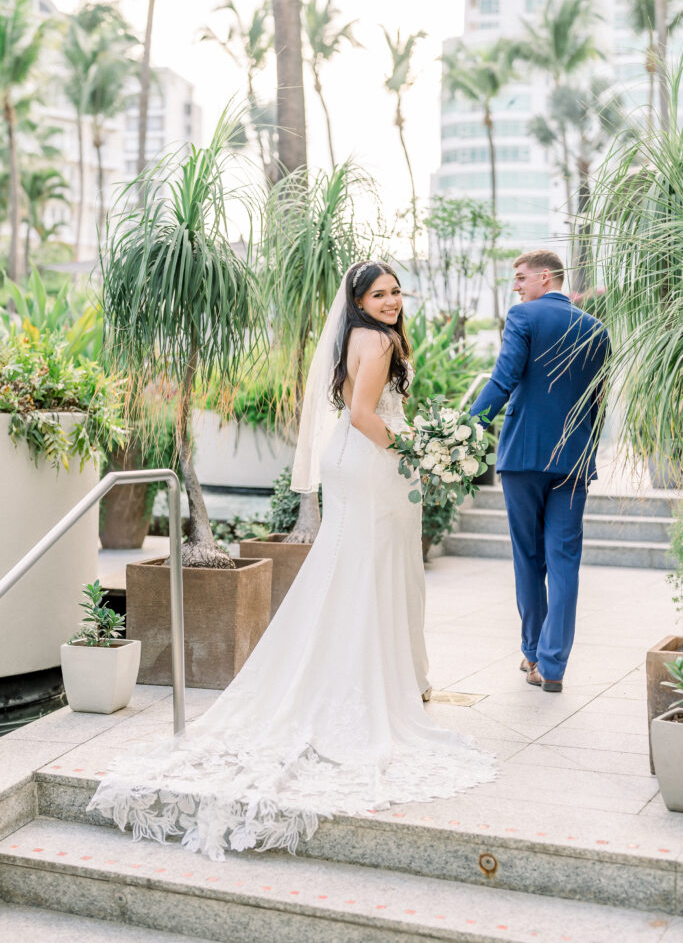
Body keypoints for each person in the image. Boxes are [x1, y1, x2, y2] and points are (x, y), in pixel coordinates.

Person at [88, 260, 496, 860]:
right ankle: (366, 683)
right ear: (358, 301)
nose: (390, 301)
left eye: (395, 292)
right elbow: (363, 414)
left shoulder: (353, 336)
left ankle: (344, 673)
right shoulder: (380, 340)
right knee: (368, 573)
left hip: (348, 461)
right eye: (378, 294)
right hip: (370, 459)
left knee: (346, 571)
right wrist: (417, 452)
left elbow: (353, 410)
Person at [470, 250, 610, 693]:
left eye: (520, 277)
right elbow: (597, 403)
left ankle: (532, 651)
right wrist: (584, 450)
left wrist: (466, 429)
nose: (516, 285)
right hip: (573, 461)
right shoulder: (598, 330)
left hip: (524, 458)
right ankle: (552, 666)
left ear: (545, 277)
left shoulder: (523, 317)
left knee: (529, 559)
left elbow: (503, 379)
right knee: (565, 562)